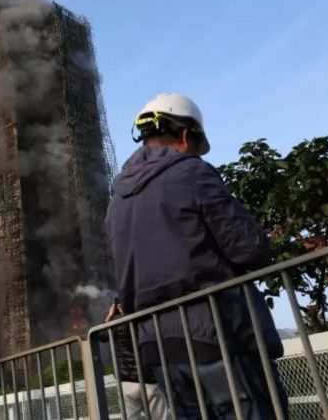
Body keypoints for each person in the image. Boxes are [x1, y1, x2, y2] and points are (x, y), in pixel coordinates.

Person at [105, 93, 288, 419]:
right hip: (215, 336)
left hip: (159, 352)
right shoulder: (192, 173)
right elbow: (249, 249)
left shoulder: (116, 202)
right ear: (186, 136)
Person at [100, 301, 171, 419]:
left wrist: (110, 315)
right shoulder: (147, 321)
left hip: (126, 382)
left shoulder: (117, 326)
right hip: (148, 379)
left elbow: (101, 335)